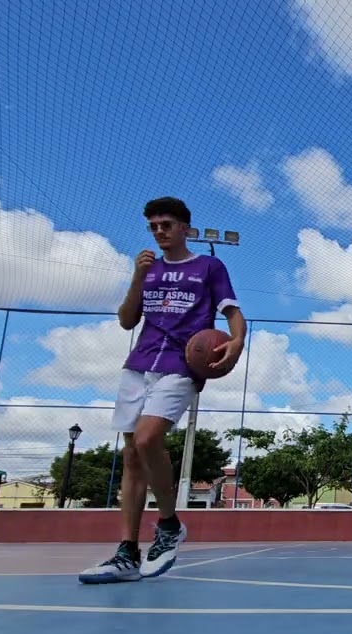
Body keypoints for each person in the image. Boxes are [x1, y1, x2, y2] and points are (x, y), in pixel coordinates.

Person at [78, 197, 244, 584]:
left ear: (186, 227)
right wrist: (137, 277)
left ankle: (168, 524)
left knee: (149, 438)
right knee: (132, 457)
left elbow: (233, 312)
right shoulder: (148, 271)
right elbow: (126, 320)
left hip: (180, 364)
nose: (159, 231)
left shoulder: (208, 266)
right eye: (153, 226)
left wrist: (236, 342)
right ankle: (126, 552)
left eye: (166, 224)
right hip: (139, 364)